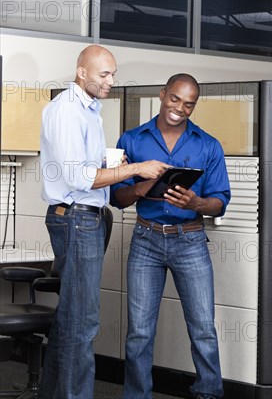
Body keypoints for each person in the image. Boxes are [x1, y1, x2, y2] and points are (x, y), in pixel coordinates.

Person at [39, 45, 170, 399]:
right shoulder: (67, 111)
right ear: (81, 73)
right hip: (77, 220)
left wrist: (112, 163)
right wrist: (135, 169)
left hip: (87, 220)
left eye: (113, 73)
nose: (112, 81)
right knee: (83, 323)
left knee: (72, 319)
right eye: (104, 74)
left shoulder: (89, 111)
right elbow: (79, 177)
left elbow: (85, 166)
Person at [111, 73, 231, 399]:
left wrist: (197, 203)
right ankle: (137, 396)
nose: (180, 108)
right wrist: (142, 184)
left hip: (190, 241)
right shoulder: (133, 139)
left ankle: (208, 393)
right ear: (163, 94)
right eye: (175, 99)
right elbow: (117, 199)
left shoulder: (208, 145)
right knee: (139, 332)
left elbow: (220, 202)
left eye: (189, 104)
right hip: (145, 240)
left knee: (203, 329)